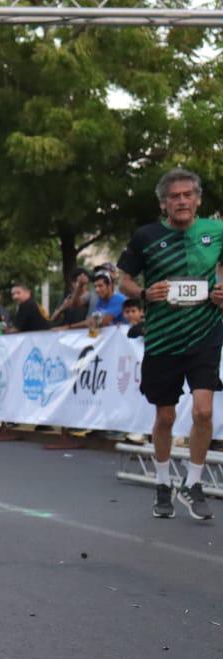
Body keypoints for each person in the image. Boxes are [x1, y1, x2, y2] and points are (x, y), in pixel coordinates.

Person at [117, 168, 221, 520]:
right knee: (165, 416)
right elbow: (124, 281)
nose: (182, 201)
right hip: (163, 338)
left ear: (198, 199)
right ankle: (163, 483)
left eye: (187, 194)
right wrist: (145, 292)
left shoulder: (216, 231)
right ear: (164, 203)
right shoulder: (146, 236)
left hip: (205, 332)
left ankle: (194, 484)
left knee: (203, 411)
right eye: (174, 196)